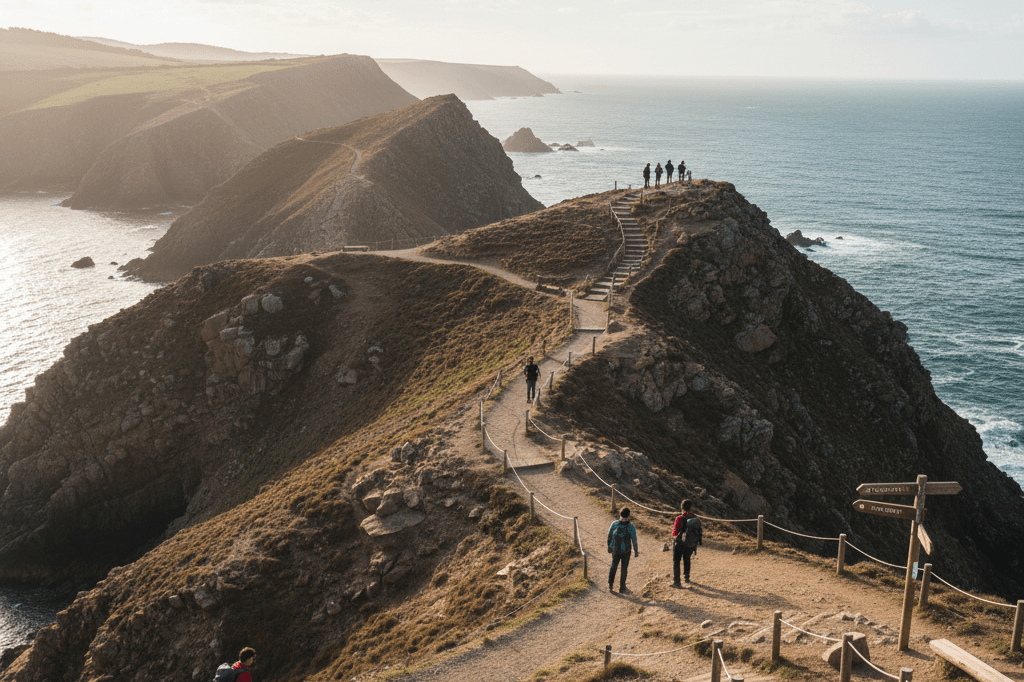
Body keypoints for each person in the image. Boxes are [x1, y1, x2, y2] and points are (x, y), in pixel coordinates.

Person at [607, 507, 639, 593]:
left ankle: (610, 584)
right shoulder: (630, 527)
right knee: (624, 568)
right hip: (627, 550)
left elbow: (609, 535)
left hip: (616, 549)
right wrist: (636, 551)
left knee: (614, 566)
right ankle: (622, 587)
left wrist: (609, 547)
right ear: (629, 516)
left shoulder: (614, 524)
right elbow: (634, 540)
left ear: (620, 514)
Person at [671, 499, 702, 586]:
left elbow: (675, 532)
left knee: (676, 561)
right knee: (687, 559)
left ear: (682, 507)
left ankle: (677, 582)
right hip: (691, 543)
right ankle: (687, 577)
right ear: (691, 507)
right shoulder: (696, 519)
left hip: (680, 543)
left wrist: (675, 538)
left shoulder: (679, 518)